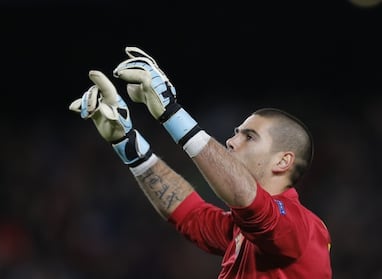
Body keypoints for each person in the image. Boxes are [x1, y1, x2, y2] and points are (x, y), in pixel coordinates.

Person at [69, 47, 332, 278]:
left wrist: (171, 113)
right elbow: (191, 215)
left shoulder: (302, 228)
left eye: (249, 137)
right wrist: (131, 148)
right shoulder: (243, 231)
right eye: (236, 132)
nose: (231, 141)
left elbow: (247, 199)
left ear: (283, 161)